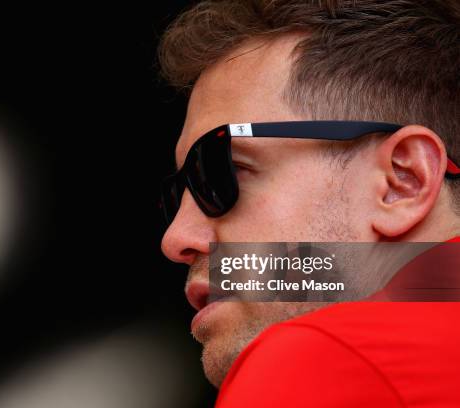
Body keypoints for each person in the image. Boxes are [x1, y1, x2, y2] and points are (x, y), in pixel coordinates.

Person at [158, 1, 460, 406]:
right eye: (179, 193)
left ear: (402, 181)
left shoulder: (323, 357)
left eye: (220, 173)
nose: (176, 238)